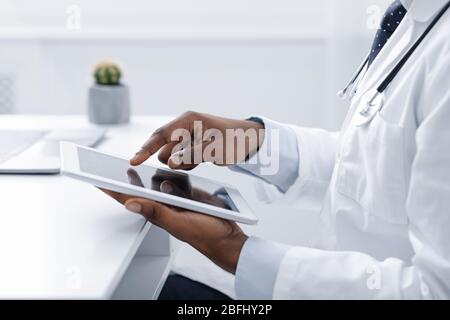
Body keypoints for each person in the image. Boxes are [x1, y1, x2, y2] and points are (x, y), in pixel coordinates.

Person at [103, 0, 450, 299]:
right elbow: (375, 160)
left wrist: (235, 251)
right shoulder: (412, 17)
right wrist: (253, 142)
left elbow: (435, 291)